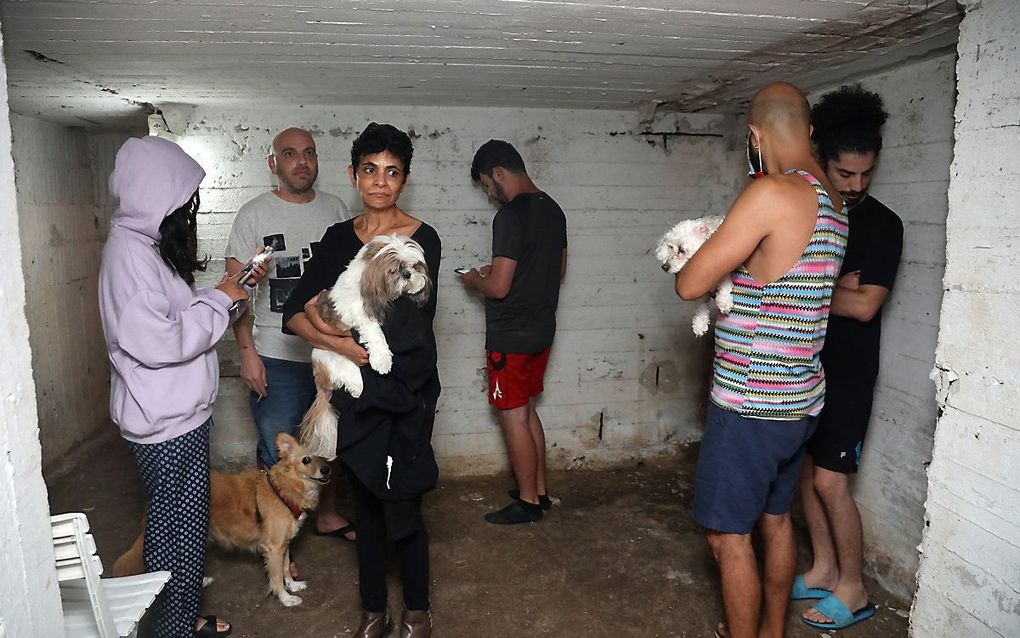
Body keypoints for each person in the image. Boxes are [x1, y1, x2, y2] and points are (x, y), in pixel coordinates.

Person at [673, 82, 848, 638]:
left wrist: (702, 243)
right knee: (775, 520)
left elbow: (690, 282)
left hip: (751, 402)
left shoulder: (772, 192)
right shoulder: (833, 199)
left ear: (755, 135)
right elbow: (779, 273)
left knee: (727, 535)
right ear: (810, 131)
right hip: (800, 400)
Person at [283, 122, 441, 638]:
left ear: (405, 179)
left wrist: (332, 326)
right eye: (370, 170)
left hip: (407, 392)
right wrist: (345, 345)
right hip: (357, 392)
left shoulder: (422, 240)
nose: (380, 181)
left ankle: (417, 610)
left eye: (392, 172)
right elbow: (294, 313)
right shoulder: (336, 240)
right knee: (367, 507)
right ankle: (374, 611)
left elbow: (411, 321)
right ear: (354, 175)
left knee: (406, 505)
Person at [98, 136, 256, 638]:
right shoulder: (128, 256)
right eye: (183, 203)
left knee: (181, 528)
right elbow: (159, 342)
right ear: (156, 196)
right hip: (164, 425)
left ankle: (179, 620)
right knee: (178, 534)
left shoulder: (141, 246)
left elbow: (173, 315)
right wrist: (219, 303)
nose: (187, 214)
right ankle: (174, 630)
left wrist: (229, 293)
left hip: (176, 415)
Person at [795, 85, 903, 631]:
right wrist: (828, 287)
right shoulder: (811, 214)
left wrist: (812, 289)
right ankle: (822, 568)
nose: (857, 185)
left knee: (833, 483)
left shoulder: (883, 226)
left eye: (866, 173)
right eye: (845, 174)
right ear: (823, 163)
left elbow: (864, 306)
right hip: (805, 366)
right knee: (806, 475)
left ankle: (854, 589)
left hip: (851, 374)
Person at [224, 127, 357, 547]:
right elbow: (234, 290)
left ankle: (328, 515)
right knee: (276, 451)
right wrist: (247, 354)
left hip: (329, 355)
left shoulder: (336, 210)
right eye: (290, 153)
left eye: (309, 153)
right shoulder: (254, 214)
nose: (302, 161)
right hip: (276, 357)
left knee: (328, 443)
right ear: (273, 163)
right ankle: (273, 536)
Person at [460, 139, 568, 525]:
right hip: (541, 329)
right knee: (527, 411)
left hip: (510, 336)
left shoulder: (509, 216)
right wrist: (507, 276)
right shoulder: (553, 209)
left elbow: (500, 288)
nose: (490, 195)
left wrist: (476, 280)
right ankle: (538, 490)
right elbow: (556, 271)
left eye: (488, 186)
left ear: (499, 173)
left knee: (513, 415)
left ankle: (527, 502)